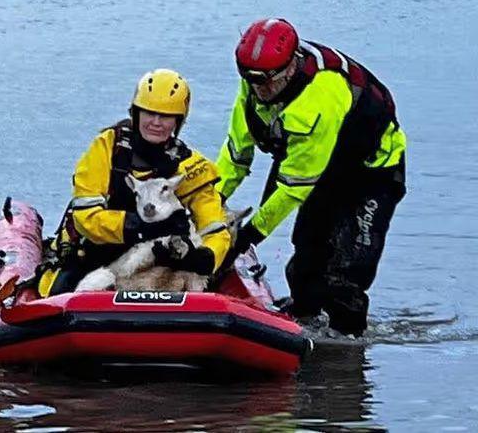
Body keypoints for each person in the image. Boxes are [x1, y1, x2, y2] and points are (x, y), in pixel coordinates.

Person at [216, 18, 406, 337]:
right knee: (306, 263)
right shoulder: (253, 82)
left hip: (371, 173)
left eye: (265, 81)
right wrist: (208, 201)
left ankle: (348, 353)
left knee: (343, 276)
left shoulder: (319, 96)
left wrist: (247, 237)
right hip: (314, 163)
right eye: (249, 79)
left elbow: (293, 189)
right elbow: (236, 155)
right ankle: (304, 330)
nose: (258, 89)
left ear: (290, 67)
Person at [40, 69, 232, 296]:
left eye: (166, 116)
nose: (156, 122)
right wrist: (139, 226)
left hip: (155, 262)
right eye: (149, 113)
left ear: (178, 121)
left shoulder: (189, 166)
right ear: (136, 113)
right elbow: (85, 218)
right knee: (59, 292)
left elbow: (215, 228)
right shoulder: (106, 148)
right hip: (94, 254)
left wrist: (206, 256)